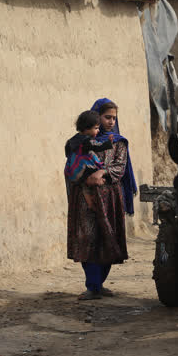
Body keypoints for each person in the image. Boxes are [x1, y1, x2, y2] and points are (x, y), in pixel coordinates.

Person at [66, 98, 132, 300]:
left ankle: (99, 283)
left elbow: (120, 167)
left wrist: (101, 173)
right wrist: (87, 179)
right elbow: (72, 165)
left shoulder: (118, 142)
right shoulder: (79, 141)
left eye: (114, 118)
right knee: (88, 238)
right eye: (107, 117)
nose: (111, 122)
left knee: (108, 239)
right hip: (85, 197)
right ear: (96, 117)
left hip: (110, 197)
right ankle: (92, 285)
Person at [64, 111, 114, 188]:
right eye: (96, 128)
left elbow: (67, 150)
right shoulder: (87, 141)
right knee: (91, 163)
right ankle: (93, 180)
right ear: (86, 128)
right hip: (82, 168)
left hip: (72, 169)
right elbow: (97, 146)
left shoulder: (74, 139)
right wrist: (108, 143)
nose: (98, 130)